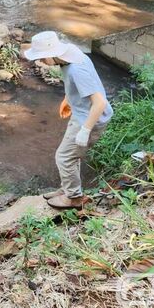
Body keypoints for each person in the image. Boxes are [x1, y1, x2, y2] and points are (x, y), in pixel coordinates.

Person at [23, 31, 113, 210]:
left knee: (64, 157)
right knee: (72, 156)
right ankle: (68, 188)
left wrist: (86, 130)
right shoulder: (70, 53)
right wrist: (69, 100)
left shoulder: (77, 70)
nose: (39, 62)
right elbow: (79, 86)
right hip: (81, 113)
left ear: (52, 54)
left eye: (41, 58)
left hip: (90, 119)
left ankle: (73, 197)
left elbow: (100, 102)